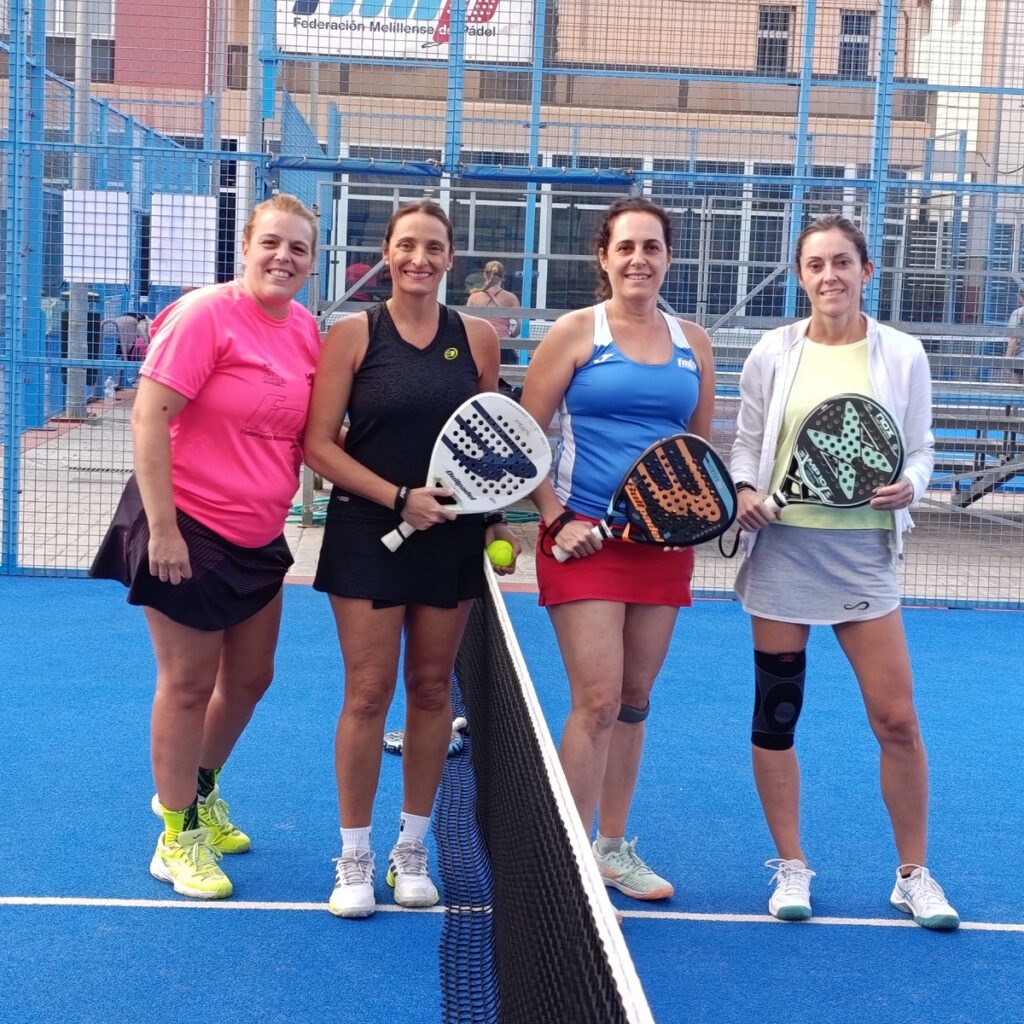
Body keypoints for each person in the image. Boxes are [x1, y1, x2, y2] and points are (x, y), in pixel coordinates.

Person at [729, 214, 959, 930]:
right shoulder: (772, 351)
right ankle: (791, 865)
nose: (830, 275)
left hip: (863, 560)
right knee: (778, 716)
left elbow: (920, 449)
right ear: (801, 276)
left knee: (896, 719)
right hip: (783, 562)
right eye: (816, 264)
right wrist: (743, 493)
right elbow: (744, 446)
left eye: (842, 262)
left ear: (866, 271)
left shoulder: (902, 353)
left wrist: (912, 486)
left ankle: (913, 874)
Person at [90, 194, 322, 900]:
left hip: (258, 533)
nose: (283, 257)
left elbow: (304, 434)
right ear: (246, 246)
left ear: (313, 263)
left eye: (299, 249)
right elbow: (149, 417)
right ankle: (176, 836)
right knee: (188, 685)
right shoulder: (204, 316)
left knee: (251, 679)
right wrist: (161, 528)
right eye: (272, 243)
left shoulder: (307, 330)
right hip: (185, 526)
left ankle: (198, 791)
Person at [303, 200, 520, 919]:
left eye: (433, 247)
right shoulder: (353, 335)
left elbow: (491, 440)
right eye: (406, 246)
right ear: (387, 255)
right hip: (369, 533)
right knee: (368, 694)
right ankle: (356, 857)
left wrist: (494, 516)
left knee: (431, 692)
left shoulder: (479, 339)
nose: (419, 258)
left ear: (451, 257)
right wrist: (400, 498)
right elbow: (319, 445)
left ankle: (412, 851)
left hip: (451, 540)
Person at [518, 197, 715, 903]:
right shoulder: (574, 333)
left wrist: (693, 518)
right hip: (582, 542)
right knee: (597, 700)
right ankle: (566, 857)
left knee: (635, 699)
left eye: (652, 247)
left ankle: (612, 848)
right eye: (626, 247)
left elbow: (697, 453)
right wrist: (554, 518)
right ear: (603, 257)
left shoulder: (694, 342)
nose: (639, 259)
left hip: (663, 549)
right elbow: (523, 438)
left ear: (668, 257)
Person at [466, 260, 522, 364]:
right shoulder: (511, 298)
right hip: (504, 346)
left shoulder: (474, 297)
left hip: (481, 344)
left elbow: (466, 324)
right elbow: (520, 325)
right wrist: (512, 335)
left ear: (485, 275)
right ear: (503, 277)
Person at [1005, 288, 1024, 384]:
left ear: (1021, 298)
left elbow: (1013, 338)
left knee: (1015, 385)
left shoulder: (1018, 313)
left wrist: (1007, 359)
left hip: (1020, 355)